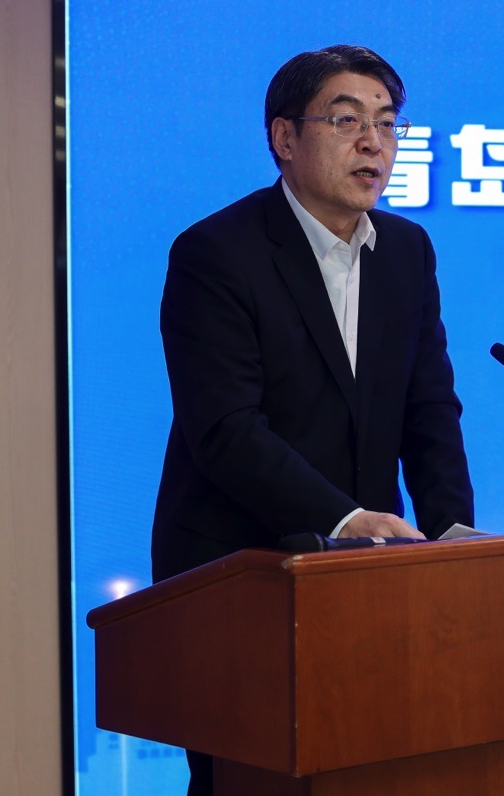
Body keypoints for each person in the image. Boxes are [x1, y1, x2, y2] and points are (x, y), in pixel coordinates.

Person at [150, 45, 475, 794]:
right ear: (284, 137)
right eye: (347, 120)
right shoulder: (216, 253)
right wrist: (348, 518)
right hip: (241, 576)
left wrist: (454, 536)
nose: (373, 143)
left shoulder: (407, 251)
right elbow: (226, 429)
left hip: (367, 586)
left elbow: (429, 409)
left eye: (387, 124)